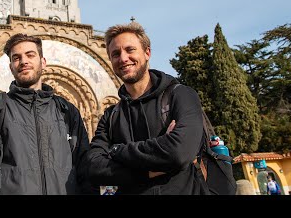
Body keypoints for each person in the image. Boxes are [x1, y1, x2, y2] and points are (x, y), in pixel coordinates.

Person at [85, 22, 208, 195]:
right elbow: (94, 169)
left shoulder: (180, 95)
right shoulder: (111, 115)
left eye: (130, 50)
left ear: (147, 52)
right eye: (115, 54)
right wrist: (153, 165)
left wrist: (116, 151)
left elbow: (179, 153)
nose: (123, 58)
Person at [0, 33, 92, 195]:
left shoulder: (67, 110)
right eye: (16, 58)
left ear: (43, 62)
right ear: (11, 67)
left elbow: (85, 170)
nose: (23, 61)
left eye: (30, 55)